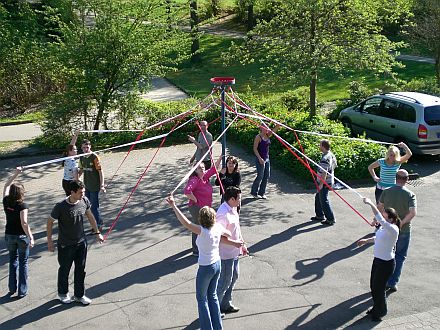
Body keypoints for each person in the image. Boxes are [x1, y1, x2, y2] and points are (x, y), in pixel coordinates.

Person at [166, 194, 243, 330]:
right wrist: (228, 234)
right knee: (212, 296)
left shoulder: (202, 231)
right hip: (217, 265)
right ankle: (218, 326)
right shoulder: (217, 228)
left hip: (205, 268)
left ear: (201, 219)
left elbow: (185, 222)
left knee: (201, 299)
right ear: (213, 218)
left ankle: (207, 328)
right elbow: (228, 234)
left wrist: (173, 205)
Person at [47, 180, 104, 305]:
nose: (82, 195)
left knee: (80, 269)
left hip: (81, 243)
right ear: (72, 192)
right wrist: (50, 241)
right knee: (65, 269)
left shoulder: (84, 201)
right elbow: (50, 221)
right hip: (65, 244)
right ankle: (63, 293)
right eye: (80, 193)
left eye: (83, 192)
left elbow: (90, 216)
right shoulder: (60, 206)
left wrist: (97, 233)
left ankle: (79, 295)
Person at [357, 198, 400, 322]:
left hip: (386, 264)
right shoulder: (384, 229)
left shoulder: (393, 229)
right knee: (373, 286)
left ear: (391, 219)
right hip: (378, 261)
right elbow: (378, 238)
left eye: (385, 218)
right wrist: (366, 241)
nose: (382, 219)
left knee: (379, 288)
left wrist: (370, 203)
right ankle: (376, 307)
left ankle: (380, 312)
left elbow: (379, 218)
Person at [378, 169, 417, 293]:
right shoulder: (410, 194)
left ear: (395, 178)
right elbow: (412, 213)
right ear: (407, 180)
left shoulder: (386, 192)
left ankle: (383, 280)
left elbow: (380, 208)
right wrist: (401, 224)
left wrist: (383, 221)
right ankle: (392, 282)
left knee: (386, 255)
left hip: (387, 229)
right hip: (404, 230)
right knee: (399, 256)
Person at [3, 167, 34, 298]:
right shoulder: (23, 206)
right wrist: (31, 237)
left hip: (9, 235)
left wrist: (16, 173)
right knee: (23, 262)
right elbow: (24, 223)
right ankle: (22, 290)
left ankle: (11, 288)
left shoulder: (6, 201)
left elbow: (6, 185)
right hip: (21, 237)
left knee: (13, 261)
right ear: (21, 193)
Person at [216, 186, 248, 315]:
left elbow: (237, 230)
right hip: (225, 254)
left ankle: (226, 303)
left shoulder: (233, 209)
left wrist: (242, 245)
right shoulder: (223, 214)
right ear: (232, 199)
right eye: (239, 198)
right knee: (224, 281)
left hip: (234, 252)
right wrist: (235, 243)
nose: (240, 200)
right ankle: (215, 308)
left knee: (234, 276)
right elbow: (219, 237)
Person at [184, 156, 222, 256]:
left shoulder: (204, 176)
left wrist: (221, 157)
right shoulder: (194, 180)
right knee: (197, 227)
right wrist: (195, 199)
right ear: (195, 170)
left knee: (204, 226)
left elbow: (214, 169)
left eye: (203, 167)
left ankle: (200, 245)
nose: (202, 169)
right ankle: (196, 250)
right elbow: (187, 191)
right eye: (199, 168)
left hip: (205, 207)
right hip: (196, 208)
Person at [78, 139, 105, 231]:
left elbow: (100, 172)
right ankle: (98, 223)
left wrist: (102, 185)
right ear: (81, 148)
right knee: (88, 207)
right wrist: (76, 180)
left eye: (87, 147)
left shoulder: (94, 157)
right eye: (84, 147)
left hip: (95, 186)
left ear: (90, 147)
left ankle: (98, 226)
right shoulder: (81, 157)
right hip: (86, 186)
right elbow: (81, 170)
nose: (86, 149)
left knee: (94, 207)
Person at [311, 139, 338, 226]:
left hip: (325, 182)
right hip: (328, 180)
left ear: (323, 146)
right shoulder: (331, 155)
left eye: (320, 145)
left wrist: (321, 184)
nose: (319, 146)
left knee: (323, 200)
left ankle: (330, 219)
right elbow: (334, 165)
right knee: (318, 198)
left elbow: (324, 172)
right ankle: (319, 215)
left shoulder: (325, 158)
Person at [250, 124, 280, 199]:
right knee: (260, 176)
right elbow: (255, 148)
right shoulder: (258, 137)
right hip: (260, 159)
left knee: (266, 175)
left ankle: (262, 193)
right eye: (265, 127)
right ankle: (254, 192)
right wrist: (260, 158)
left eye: (267, 127)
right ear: (261, 128)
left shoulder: (267, 135)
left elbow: (274, 131)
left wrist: (278, 124)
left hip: (267, 159)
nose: (267, 129)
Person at [62, 130, 80, 196]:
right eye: (75, 149)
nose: (76, 150)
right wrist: (78, 183)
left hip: (64, 182)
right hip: (71, 183)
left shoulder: (66, 158)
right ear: (70, 151)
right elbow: (75, 175)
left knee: (68, 199)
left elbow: (71, 145)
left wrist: (76, 135)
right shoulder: (73, 162)